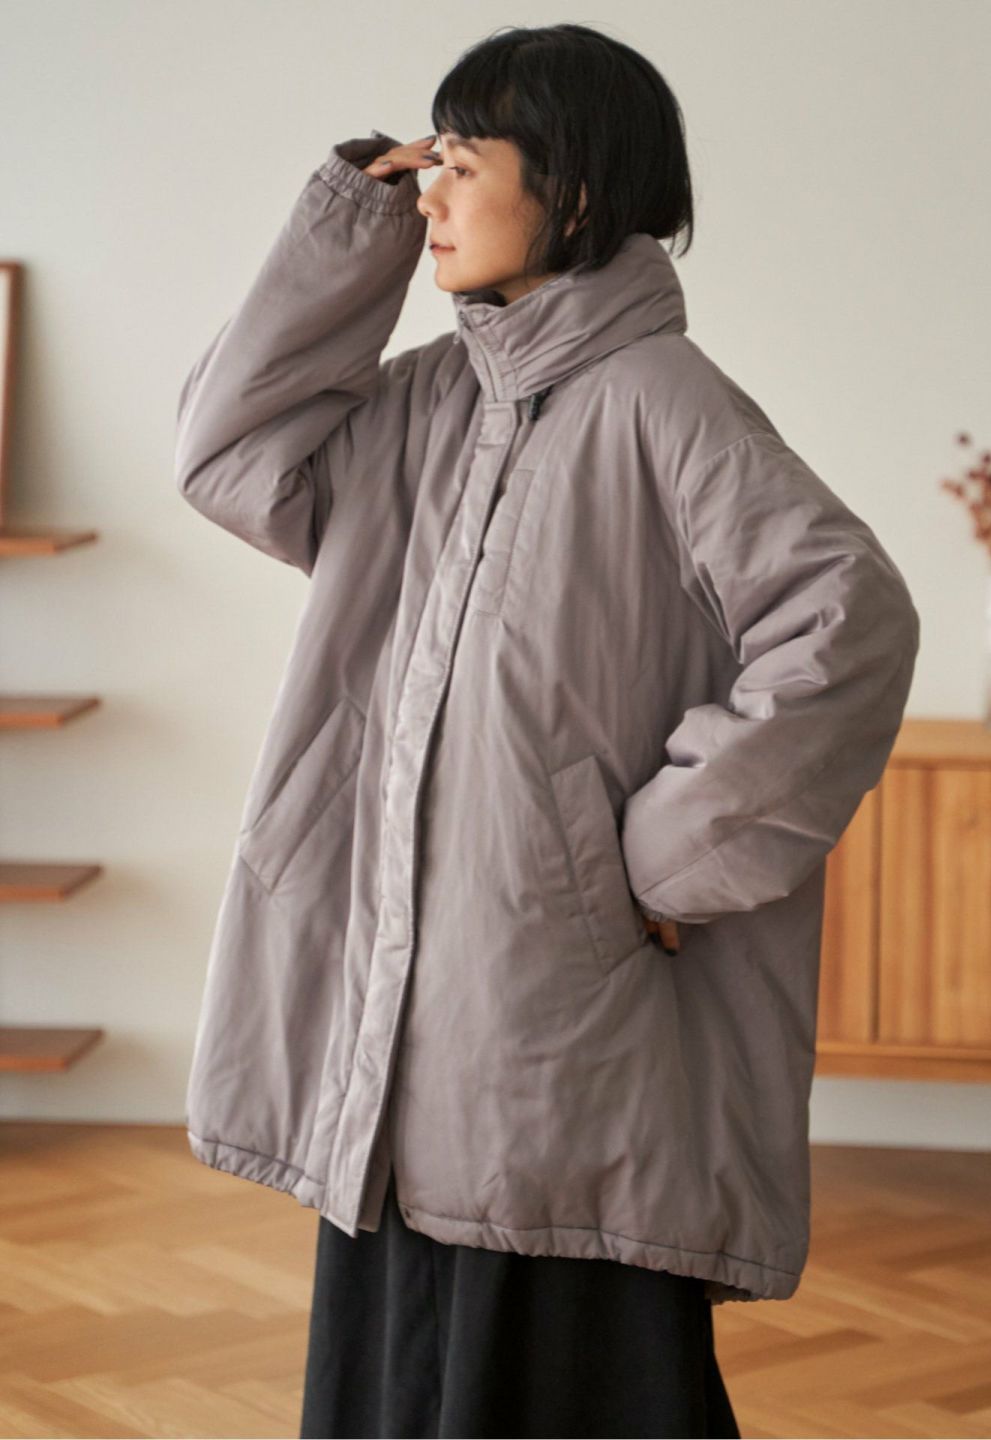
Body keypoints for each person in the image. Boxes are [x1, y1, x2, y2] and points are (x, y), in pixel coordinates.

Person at [176, 21, 919, 1440]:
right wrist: (350, 227)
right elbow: (229, 457)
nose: (432, 194)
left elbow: (849, 624)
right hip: (394, 1000)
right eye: (430, 164)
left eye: (463, 165)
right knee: (398, 1360)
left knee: (566, 1360)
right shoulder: (423, 402)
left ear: (571, 189)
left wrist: (657, 854)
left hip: (553, 1015)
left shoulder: (666, 402)